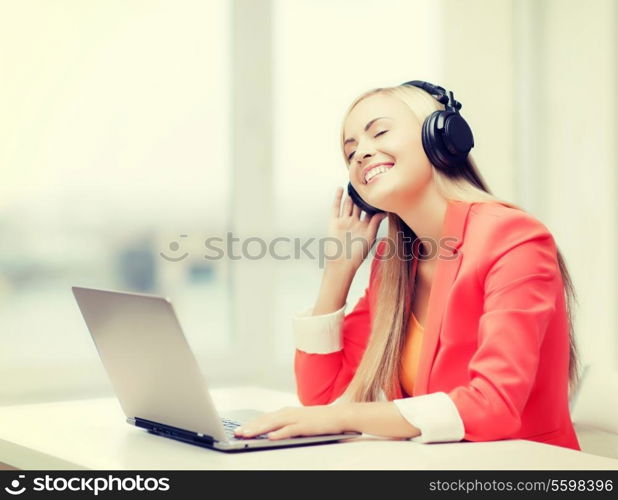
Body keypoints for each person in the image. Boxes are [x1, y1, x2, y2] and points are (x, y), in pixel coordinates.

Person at [234, 81, 581, 450]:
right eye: (350, 153)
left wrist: (342, 417)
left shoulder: (512, 237)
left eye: (379, 132)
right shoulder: (395, 264)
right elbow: (322, 395)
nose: (361, 155)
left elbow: (493, 405)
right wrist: (339, 270)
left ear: (440, 138)